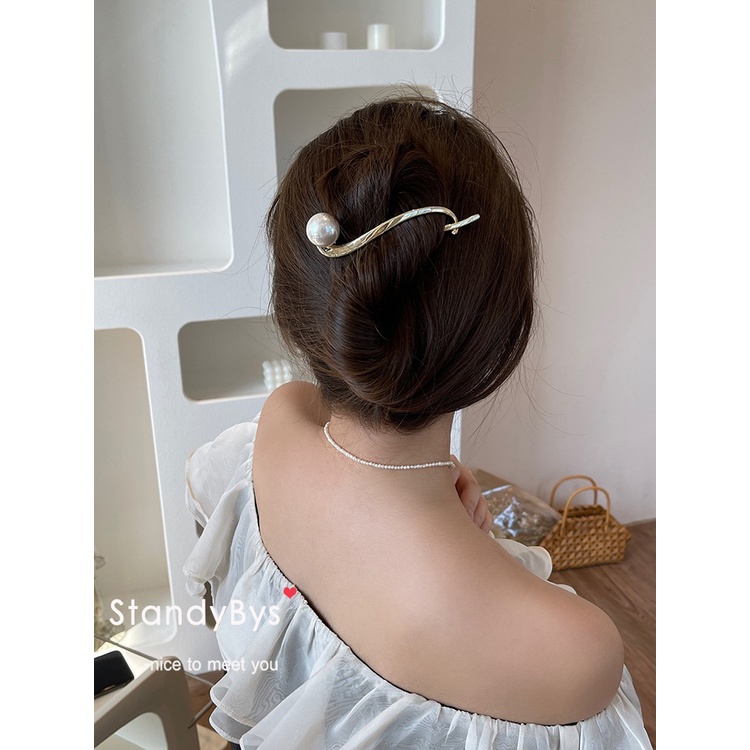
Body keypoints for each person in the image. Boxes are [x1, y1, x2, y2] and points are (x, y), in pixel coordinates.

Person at [183, 94, 652, 749]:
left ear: (297, 307)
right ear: (500, 334)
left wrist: (439, 484)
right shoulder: (575, 653)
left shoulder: (275, 429)